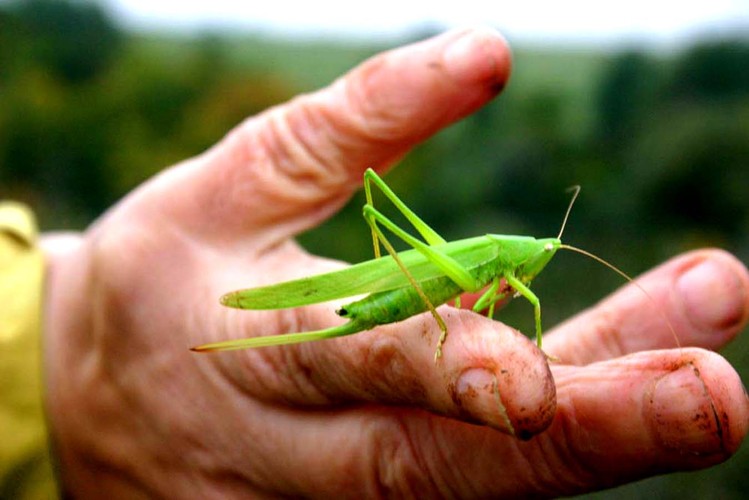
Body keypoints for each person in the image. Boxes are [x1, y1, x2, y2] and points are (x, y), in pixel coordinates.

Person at [2, 27, 748, 498]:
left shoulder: (518, 262)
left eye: (549, 253)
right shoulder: (502, 261)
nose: (541, 265)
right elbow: (488, 291)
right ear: (529, 255)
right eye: (546, 252)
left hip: (429, 286)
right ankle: (343, 316)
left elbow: (497, 296)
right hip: (408, 288)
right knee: (384, 219)